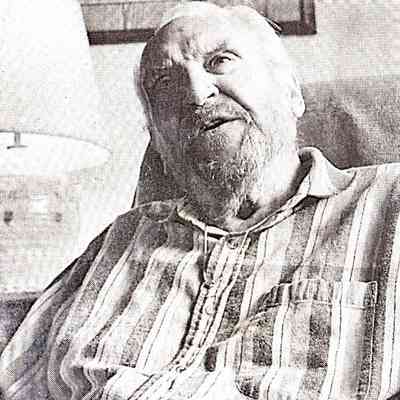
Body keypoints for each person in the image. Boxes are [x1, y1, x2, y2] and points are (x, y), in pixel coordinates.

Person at [1, 2, 400, 399]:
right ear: (156, 137)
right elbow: (15, 376)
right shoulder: (121, 237)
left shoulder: (388, 205)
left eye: (220, 61)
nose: (195, 92)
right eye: (164, 82)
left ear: (291, 92)